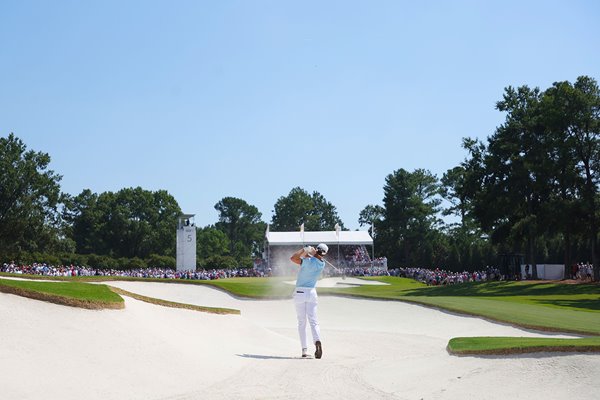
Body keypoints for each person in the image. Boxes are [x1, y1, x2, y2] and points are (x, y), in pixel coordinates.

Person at [290, 243, 328, 359]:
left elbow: (293, 258)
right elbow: (314, 257)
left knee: (302, 322)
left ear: (317, 250)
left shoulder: (308, 261)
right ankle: (317, 341)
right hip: (312, 293)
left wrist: (304, 249)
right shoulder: (322, 264)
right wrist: (313, 252)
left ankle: (304, 350)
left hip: (300, 292)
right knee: (314, 321)